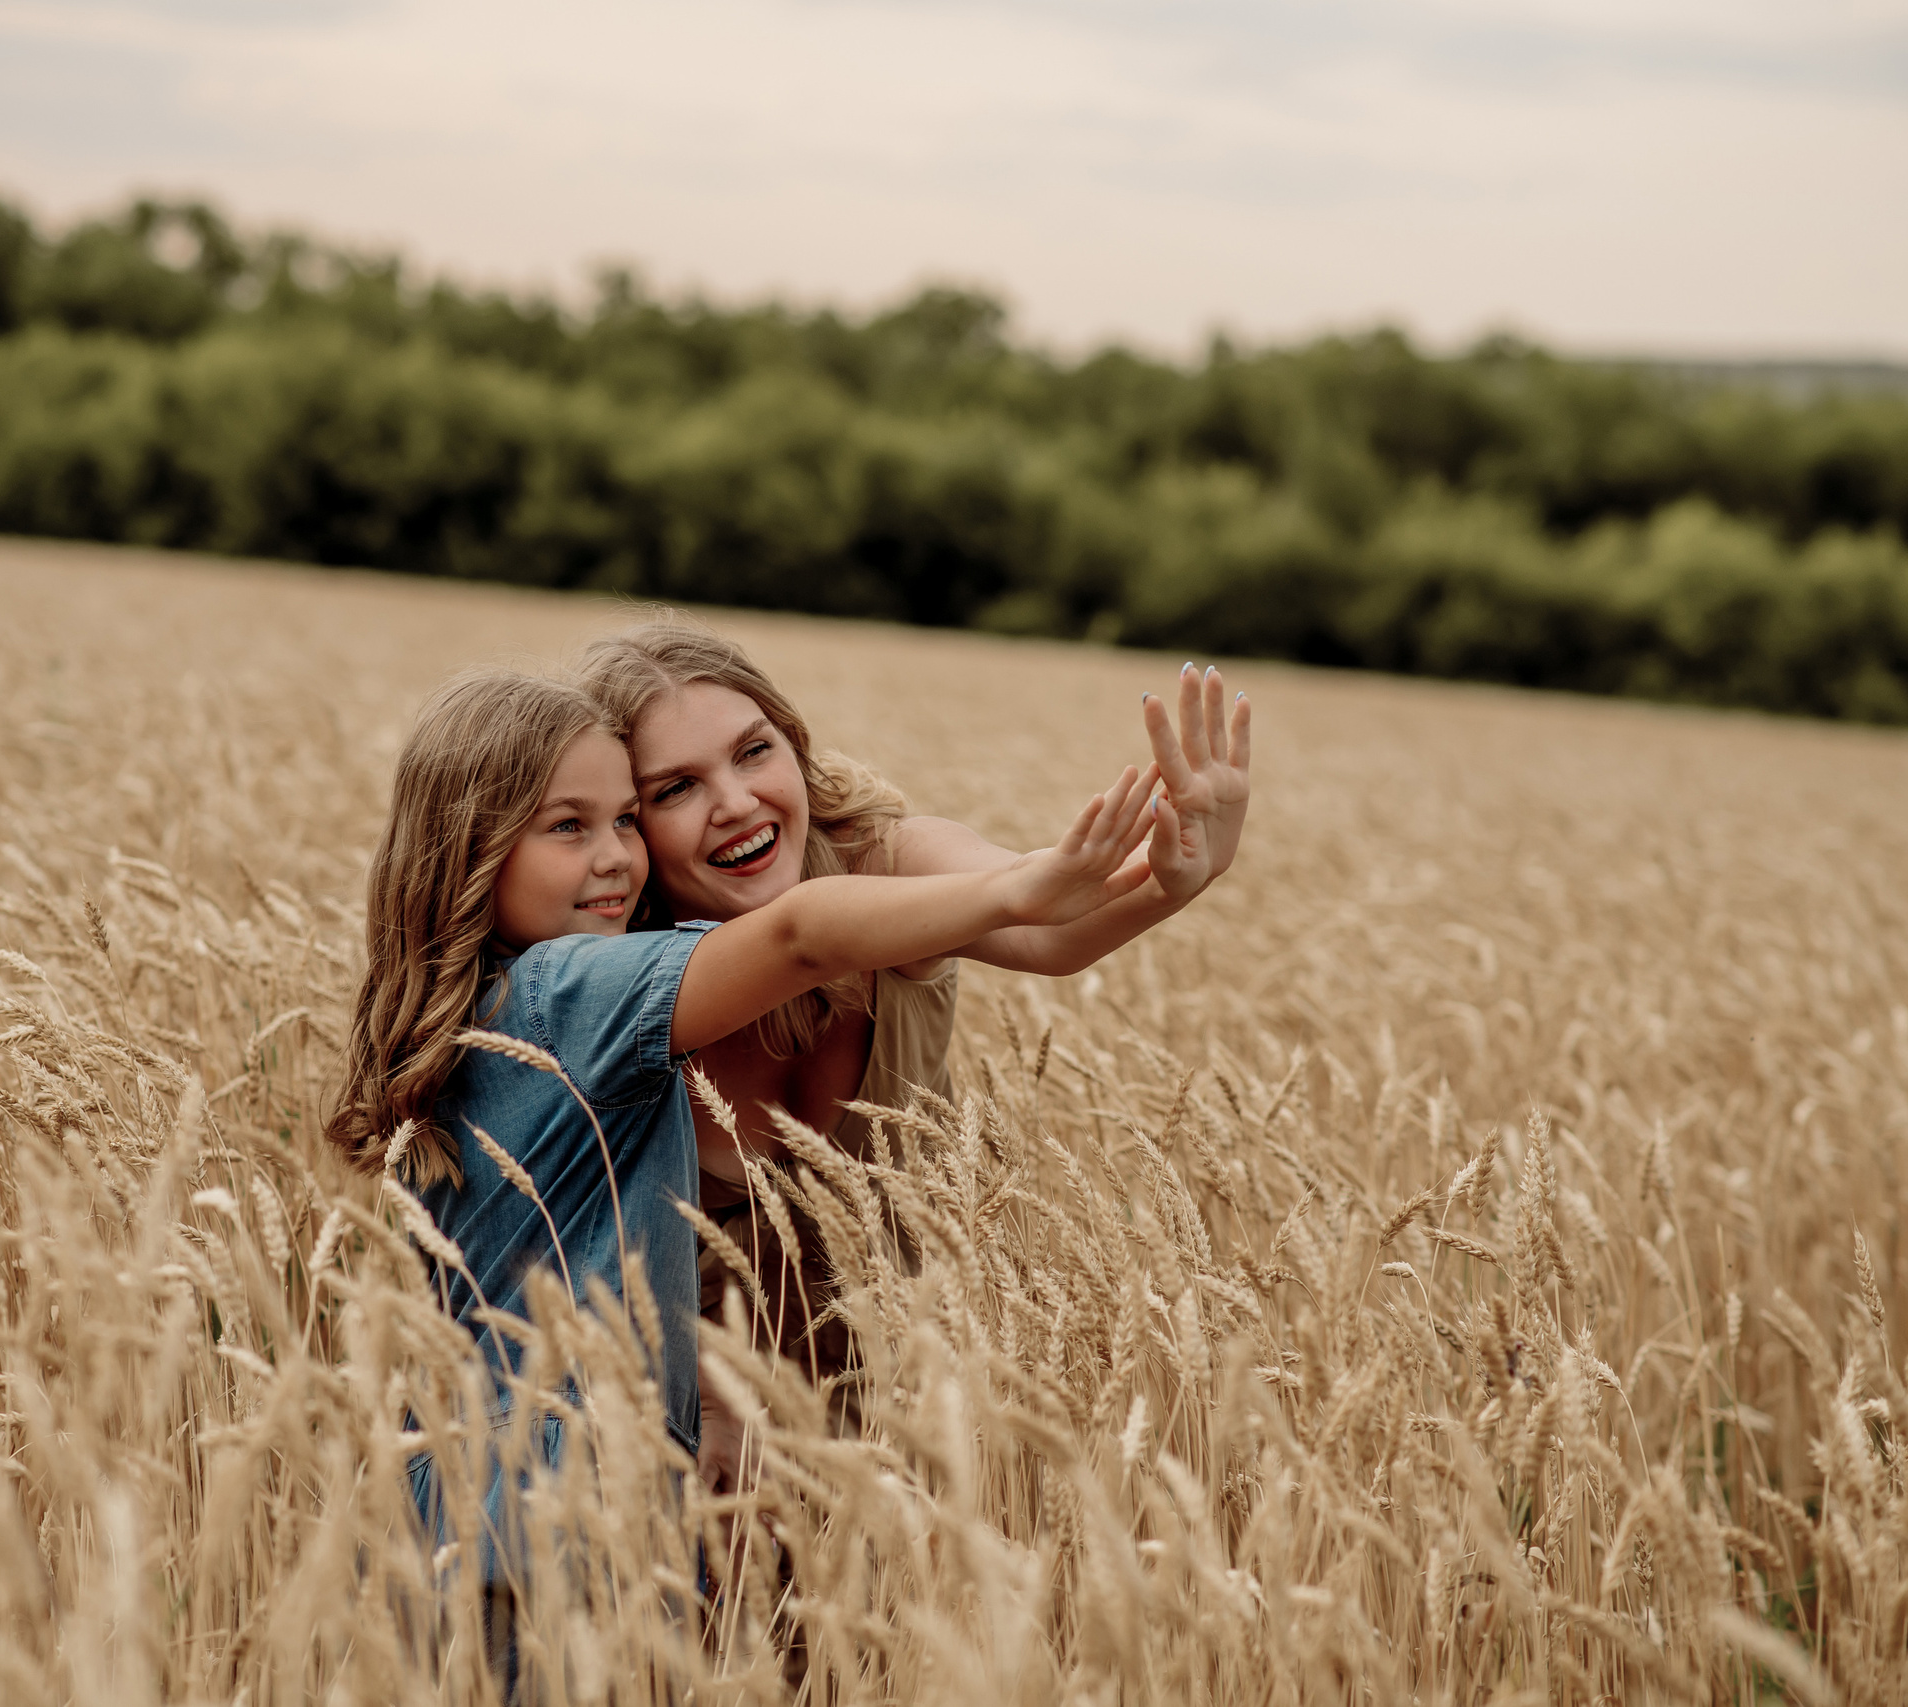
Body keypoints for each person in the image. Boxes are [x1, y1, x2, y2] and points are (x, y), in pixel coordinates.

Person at [326, 666, 1175, 1671]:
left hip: (472, 1502)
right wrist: (1015, 887)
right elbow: (803, 933)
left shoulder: (479, 1013)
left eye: (624, 821)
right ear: (467, 852)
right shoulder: (567, 994)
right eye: (567, 828)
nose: (613, 861)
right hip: (555, 1524)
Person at [575, 619, 1253, 1488]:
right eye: (676, 788)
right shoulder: (612, 969)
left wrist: (1180, 874)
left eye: (754, 750)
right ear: (628, 826)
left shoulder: (882, 854)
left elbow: (1038, 919)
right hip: (662, 1435)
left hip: (899, 1425)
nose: (736, 801)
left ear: (796, 743)